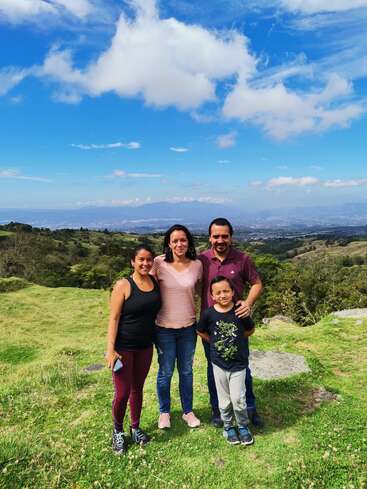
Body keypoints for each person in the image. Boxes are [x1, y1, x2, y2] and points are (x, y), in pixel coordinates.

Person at [199, 217, 263, 428]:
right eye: (216, 236)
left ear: (231, 237)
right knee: (213, 369)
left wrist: (248, 302)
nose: (220, 240)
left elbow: (256, 283)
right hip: (211, 327)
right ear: (210, 237)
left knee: (242, 368)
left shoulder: (242, 259)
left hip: (237, 326)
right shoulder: (202, 260)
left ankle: (249, 408)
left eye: (224, 236)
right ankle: (218, 410)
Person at [106, 245, 161, 454]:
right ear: (133, 261)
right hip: (123, 348)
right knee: (122, 393)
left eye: (149, 260)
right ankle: (118, 431)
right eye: (141, 260)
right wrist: (110, 350)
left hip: (146, 347)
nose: (146, 263)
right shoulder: (123, 285)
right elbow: (113, 318)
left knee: (138, 389)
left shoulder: (153, 282)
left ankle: (135, 427)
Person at [152, 224, 202, 429]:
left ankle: (187, 411)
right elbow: (146, 288)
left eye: (183, 240)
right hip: (163, 327)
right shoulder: (158, 263)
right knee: (165, 371)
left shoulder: (197, 264)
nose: (179, 244)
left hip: (188, 327)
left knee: (186, 371)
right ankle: (164, 412)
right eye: (175, 240)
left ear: (188, 241)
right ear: (169, 243)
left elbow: (201, 291)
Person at [197, 275, 255, 445]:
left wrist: (239, 338)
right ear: (212, 296)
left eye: (226, 291)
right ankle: (228, 426)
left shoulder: (239, 312)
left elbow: (250, 329)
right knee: (224, 400)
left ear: (232, 292)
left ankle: (243, 426)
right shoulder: (208, 314)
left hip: (238, 364)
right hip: (219, 365)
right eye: (218, 292)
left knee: (238, 398)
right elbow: (200, 331)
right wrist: (213, 341)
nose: (222, 295)